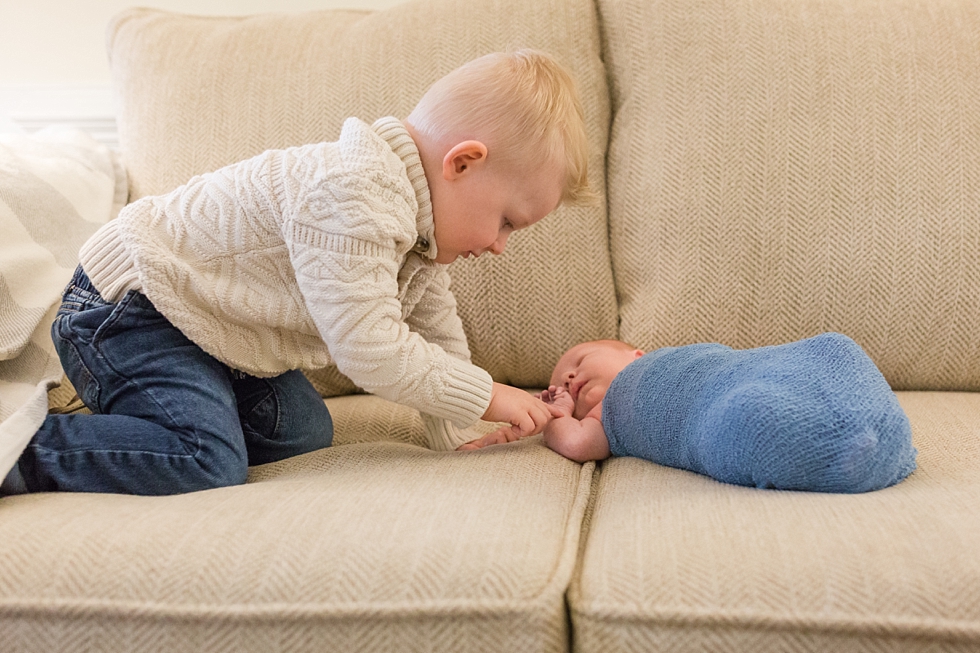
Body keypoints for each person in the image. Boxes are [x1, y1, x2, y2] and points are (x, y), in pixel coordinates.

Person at [1, 50, 591, 496]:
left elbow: (435, 336)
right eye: (507, 221)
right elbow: (369, 349)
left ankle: (153, 411)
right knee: (206, 460)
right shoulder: (354, 194)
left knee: (302, 431)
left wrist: (462, 434)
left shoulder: (417, 234)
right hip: (133, 304)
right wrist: (491, 395)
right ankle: (22, 449)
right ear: (462, 162)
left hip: (209, 329)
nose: (500, 247)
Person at [462, 334, 918, 493]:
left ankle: (866, 429)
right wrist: (559, 418)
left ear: (635, 353)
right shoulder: (609, 413)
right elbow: (579, 444)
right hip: (717, 408)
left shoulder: (664, 362)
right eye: (562, 388)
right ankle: (847, 452)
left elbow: (733, 365)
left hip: (738, 371)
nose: (567, 384)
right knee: (745, 418)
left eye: (578, 364)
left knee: (832, 348)